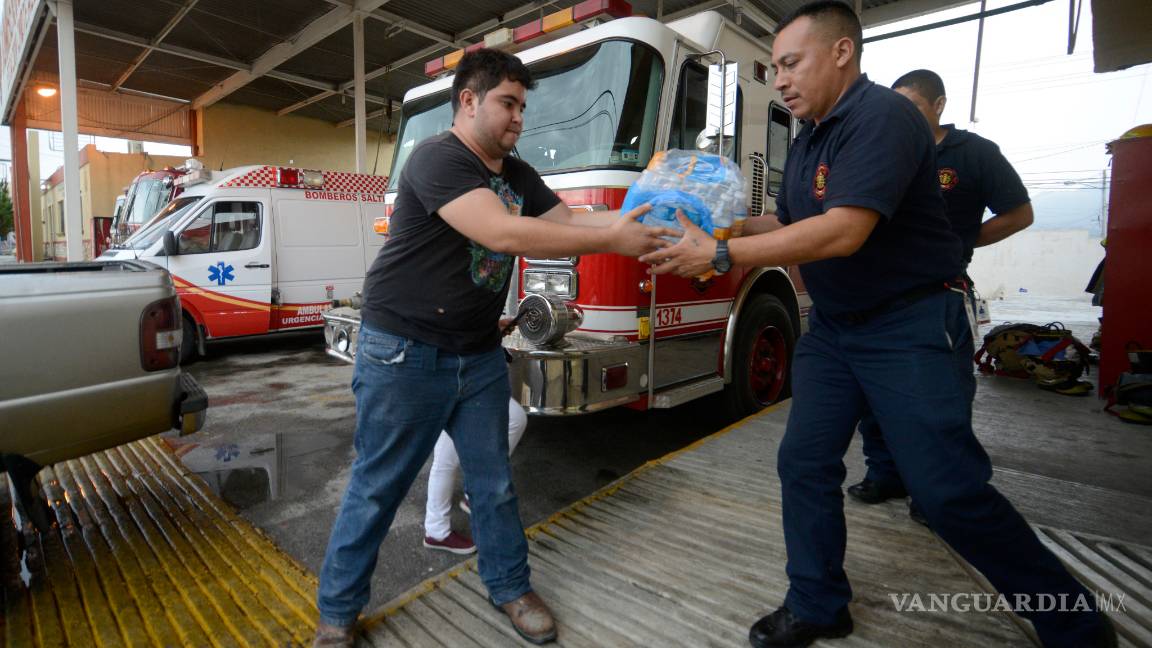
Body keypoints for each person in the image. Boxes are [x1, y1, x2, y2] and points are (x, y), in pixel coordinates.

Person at [642, 3, 1114, 647]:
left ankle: (1074, 623)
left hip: (910, 324)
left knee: (947, 494)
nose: (779, 80)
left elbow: (843, 230)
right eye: (775, 67)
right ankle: (817, 603)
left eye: (790, 63)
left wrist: (720, 255)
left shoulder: (883, 119)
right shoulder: (809, 134)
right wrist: (713, 225)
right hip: (837, 331)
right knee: (804, 463)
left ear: (842, 53)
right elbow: (791, 223)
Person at [312, 48, 673, 648]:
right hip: (404, 350)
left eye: (523, 106)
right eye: (508, 104)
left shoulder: (515, 172)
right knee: (377, 486)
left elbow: (568, 221)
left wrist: (637, 225)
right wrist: (615, 236)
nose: (518, 118)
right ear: (469, 101)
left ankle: (510, 586)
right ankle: (337, 614)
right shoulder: (437, 160)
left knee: (494, 481)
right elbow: (500, 232)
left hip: (477, 353)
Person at [846, 69, 1034, 517]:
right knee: (875, 398)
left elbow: (1019, 213)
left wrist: (963, 241)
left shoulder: (974, 154)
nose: (899, 116)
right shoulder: (883, 150)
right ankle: (885, 473)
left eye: (910, 105)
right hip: (874, 294)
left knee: (938, 403)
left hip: (936, 295)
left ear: (938, 105)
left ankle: (937, 496)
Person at [423, 394, 527, 554]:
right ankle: (437, 529)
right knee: (446, 459)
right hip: (452, 381)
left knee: (516, 418)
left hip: (463, 378)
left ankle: (473, 496)